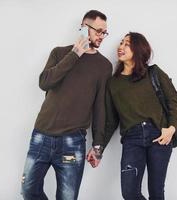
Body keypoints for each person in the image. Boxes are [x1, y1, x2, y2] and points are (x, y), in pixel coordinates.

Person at [21, 10, 112, 200]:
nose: (102, 36)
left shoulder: (103, 66)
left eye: (105, 32)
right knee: (28, 191)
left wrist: (98, 145)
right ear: (83, 27)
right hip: (41, 136)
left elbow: (100, 107)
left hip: (72, 142)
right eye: (98, 31)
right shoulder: (59, 53)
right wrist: (75, 54)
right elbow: (44, 82)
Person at [89, 32, 177, 200]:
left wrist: (172, 128)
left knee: (156, 192)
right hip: (132, 139)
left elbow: (173, 101)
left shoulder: (154, 73)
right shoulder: (113, 83)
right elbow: (110, 121)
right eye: (121, 43)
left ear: (138, 49)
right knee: (129, 193)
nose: (120, 47)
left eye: (127, 44)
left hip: (159, 136)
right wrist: (98, 148)